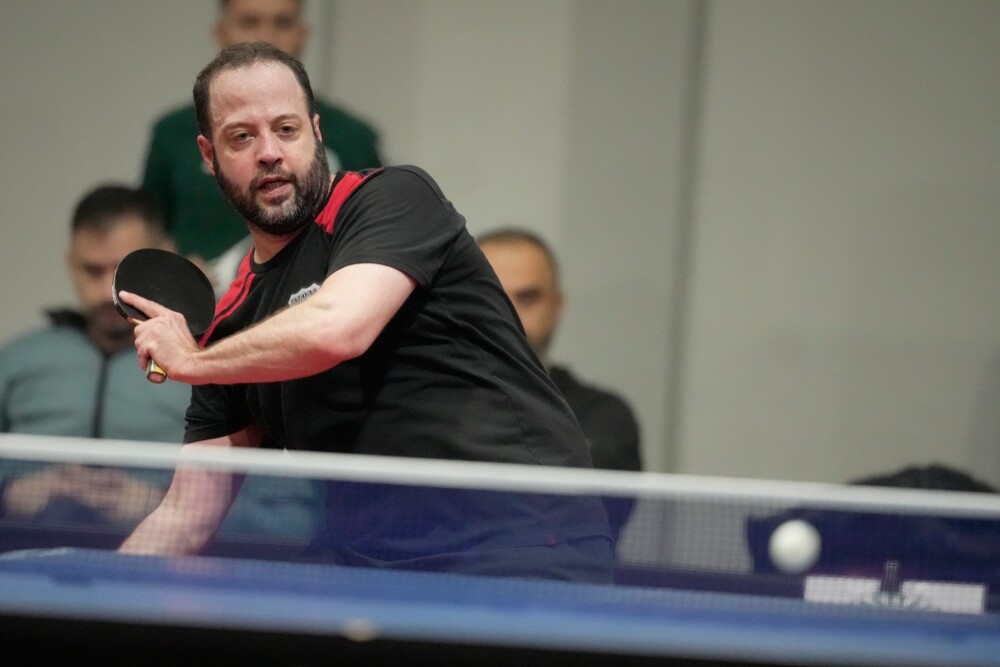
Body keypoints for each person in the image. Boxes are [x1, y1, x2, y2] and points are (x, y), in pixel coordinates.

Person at [116, 41, 613, 583]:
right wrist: (100, 589)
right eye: (242, 136)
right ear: (209, 156)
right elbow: (185, 516)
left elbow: (337, 329)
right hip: (373, 563)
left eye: (286, 129)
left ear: (316, 133)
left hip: (515, 540)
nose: (269, 152)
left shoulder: (391, 200)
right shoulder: (233, 327)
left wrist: (192, 361)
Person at [0, 184, 323, 542]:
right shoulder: (16, 362)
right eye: (92, 270)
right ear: (70, 263)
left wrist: (162, 508)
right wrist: (10, 494)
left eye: (121, 269)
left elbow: (291, 520)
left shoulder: (224, 363)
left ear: (165, 255)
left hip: (168, 569)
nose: (107, 292)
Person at [140, 0, 382, 295]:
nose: (266, 36)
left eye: (287, 130)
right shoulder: (172, 134)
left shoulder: (353, 137)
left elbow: (377, 233)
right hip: (204, 306)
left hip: (315, 299)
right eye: (250, 22)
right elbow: (145, 237)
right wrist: (174, 270)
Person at [477, 228, 642, 545]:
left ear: (557, 305)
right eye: (490, 295)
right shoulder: (423, 403)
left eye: (527, 298)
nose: (509, 315)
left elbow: (585, 519)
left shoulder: (606, 416)